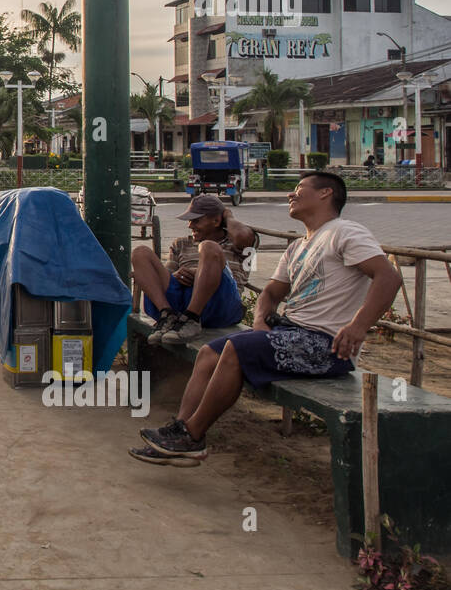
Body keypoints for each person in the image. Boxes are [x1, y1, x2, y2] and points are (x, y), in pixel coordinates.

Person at [132, 171, 402, 466]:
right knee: (210, 352)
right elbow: (270, 294)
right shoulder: (299, 246)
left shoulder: (345, 232)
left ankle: (193, 436)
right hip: (291, 335)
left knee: (235, 350)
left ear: (325, 193)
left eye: (299, 189)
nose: (291, 194)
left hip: (327, 346)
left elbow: (388, 277)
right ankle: (180, 430)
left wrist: (358, 326)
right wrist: (260, 323)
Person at [132, 194, 256, 345]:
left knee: (208, 246)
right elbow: (168, 274)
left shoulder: (239, 244)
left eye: (196, 220)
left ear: (216, 221)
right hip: (182, 302)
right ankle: (167, 316)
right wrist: (177, 275)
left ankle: (193, 318)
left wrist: (228, 215)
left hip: (221, 304)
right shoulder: (181, 243)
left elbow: (243, 235)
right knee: (140, 253)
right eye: (190, 220)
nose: (190, 225)